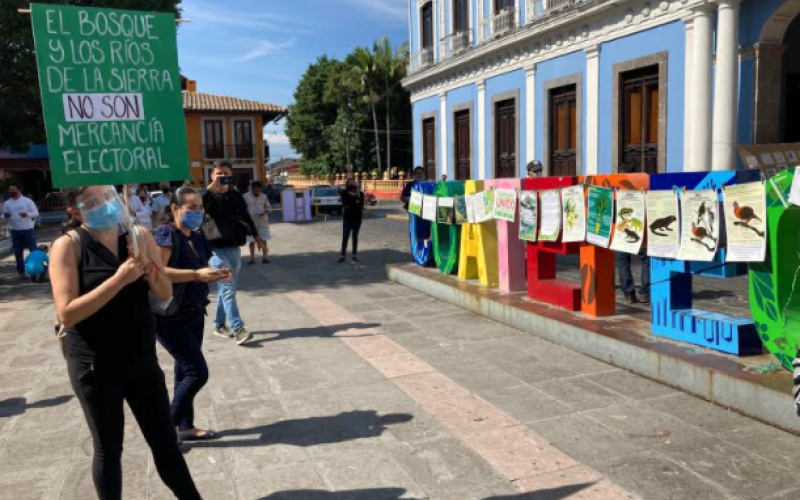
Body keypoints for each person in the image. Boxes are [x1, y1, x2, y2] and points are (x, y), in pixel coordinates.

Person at [50, 186, 204, 500]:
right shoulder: (69, 246)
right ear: (75, 212)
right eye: (92, 202)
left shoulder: (139, 236)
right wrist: (120, 278)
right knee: (108, 448)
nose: (104, 205)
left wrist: (150, 272)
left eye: (107, 198)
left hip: (142, 360)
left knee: (165, 442)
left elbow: (163, 293)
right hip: (95, 365)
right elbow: (67, 314)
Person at [154, 187, 229, 442]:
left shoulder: (197, 236)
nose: (198, 212)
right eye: (192, 207)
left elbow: (208, 264)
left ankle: (185, 427)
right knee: (198, 372)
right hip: (169, 315)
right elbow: (158, 272)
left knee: (183, 371)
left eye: (200, 207)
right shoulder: (166, 233)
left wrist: (219, 271)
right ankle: (163, 432)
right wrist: (196, 275)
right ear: (176, 209)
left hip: (195, 311)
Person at [203, 160, 261, 345]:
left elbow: (245, 216)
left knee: (227, 289)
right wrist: (211, 188)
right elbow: (201, 205)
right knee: (228, 289)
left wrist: (257, 236)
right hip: (215, 250)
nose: (221, 177)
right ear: (212, 176)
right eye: (218, 173)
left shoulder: (235, 196)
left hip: (234, 248)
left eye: (225, 173)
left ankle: (219, 324)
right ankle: (238, 329)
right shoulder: (208, 196)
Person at [3, 185, 39, 279]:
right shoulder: (7, 203)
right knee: (18, 252)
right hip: (14, 230)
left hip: (27, 229)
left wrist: (27, 215)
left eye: (13, 190)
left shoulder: (27, 201)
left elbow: (36, 213)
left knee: (33, 250)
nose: (11, 192)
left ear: (19, 190)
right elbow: (3, 215)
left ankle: (36, 270)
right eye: (10, 191)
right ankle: (21, 272)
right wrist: (5, 215)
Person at [243, 182, 272, 265]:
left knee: (264, 240)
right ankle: (252, 258)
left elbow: (269, 208)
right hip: (251, 222)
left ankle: (265, 257)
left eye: (258, 190)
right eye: (255, 190)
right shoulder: (245, 196)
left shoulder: (264, 196)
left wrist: (265, 212)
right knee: (251, 241)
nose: (256, 192)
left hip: (263, 221)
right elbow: (242, 209)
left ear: (261, 189)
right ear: (251, 188)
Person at [339, 179, 365, 263]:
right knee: (345, 236)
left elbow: (361, 203)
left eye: (353, 184)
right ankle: (342, 255)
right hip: (347, 217)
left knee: (355, 236)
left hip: (357, 217)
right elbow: (346, 204)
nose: (352, 186)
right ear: (347, 185)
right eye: (350, 184)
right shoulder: (344, 193)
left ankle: (354, 254)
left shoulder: (360, 193)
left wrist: (355, 197)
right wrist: (354, 200)